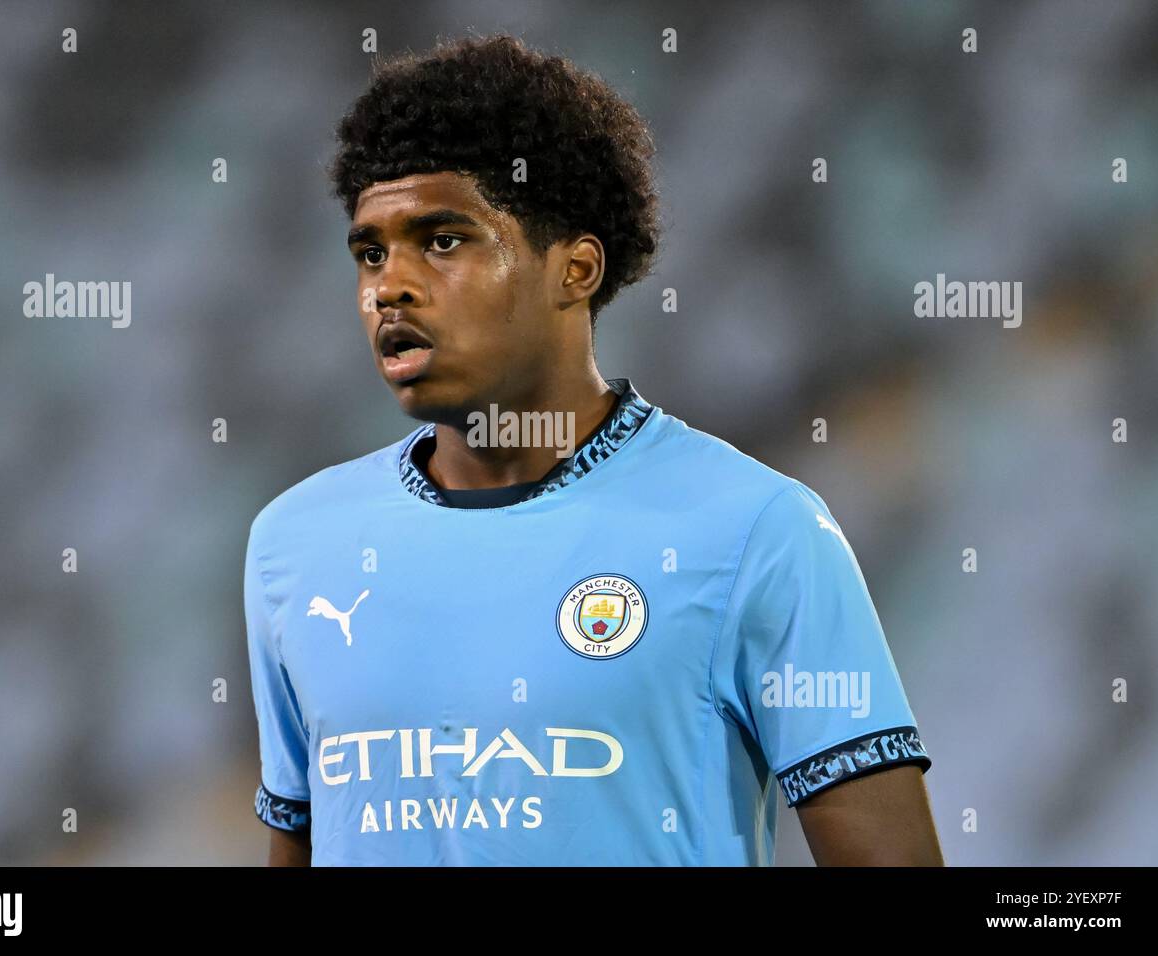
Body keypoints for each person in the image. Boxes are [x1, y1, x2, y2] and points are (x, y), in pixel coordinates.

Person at [246, 33, 942, 866]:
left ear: (574, 269)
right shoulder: (296, 544)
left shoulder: (757, 531)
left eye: (443, 240)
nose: (388, 285)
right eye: (371, 250)